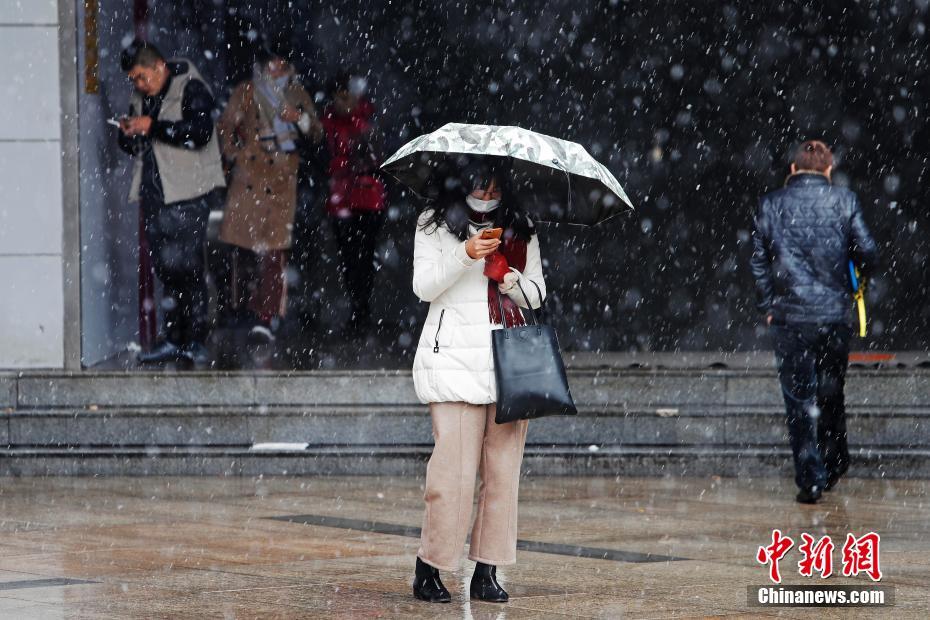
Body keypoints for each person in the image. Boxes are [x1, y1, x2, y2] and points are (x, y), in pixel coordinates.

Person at [410, 159, 546, 603]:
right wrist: (464, 254)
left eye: (493, 190)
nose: (485, 197)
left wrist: (505, 274)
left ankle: (486, 570)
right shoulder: (434, 225)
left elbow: (537, 295)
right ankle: (430, 565)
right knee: (451, 475)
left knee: (503, 476)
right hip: (452, 361)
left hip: (510, 367)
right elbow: (424, 286)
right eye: (477, 188)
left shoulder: (521, 232)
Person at [750, 140, 878, 504]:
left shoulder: (771, 204)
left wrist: (769, 304)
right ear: (828, 170)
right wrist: (852, 270)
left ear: (793, 170)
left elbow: (758, 262)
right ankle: (835, 462)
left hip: (790, 318)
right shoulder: (845, 200)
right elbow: (868, 251)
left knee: (799, 401)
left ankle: (811, 480)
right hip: (833, 316)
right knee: (831, 392)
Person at [118, 39, 226, 365]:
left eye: (142, 77)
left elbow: (200, 132)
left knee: (189, 267)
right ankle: (173, 337)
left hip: (188, 193)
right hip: (156, 193)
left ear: (159, 67)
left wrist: (154, 126)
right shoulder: (140, 97)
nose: (139, 85)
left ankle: (194, 339)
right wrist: (128, 133)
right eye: (134, 80)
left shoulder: (190, 86)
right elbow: (133, 146)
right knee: (166, 269)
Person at [216, 43, 324, 344]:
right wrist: (237, 154)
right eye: (272, 61)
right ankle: (246, 311)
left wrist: (298, 118)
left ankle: (267, 316)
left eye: (282, 61)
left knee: (275, 252)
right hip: (250, 175)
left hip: (282, 177)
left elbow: (316, 132)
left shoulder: (297, 91)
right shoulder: (247, 91)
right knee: (246, 249)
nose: (277, 67)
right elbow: (225, 127)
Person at [321, 72, 386, 337]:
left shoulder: (366, 120)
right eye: (338, 96)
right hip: (342, 199)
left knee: (364, 255)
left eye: (347, 95)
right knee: (349, 256)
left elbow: (374, 156)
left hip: (367, 198)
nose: (342, 101)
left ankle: (362, 309)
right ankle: (358, 308)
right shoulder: (328, 123)